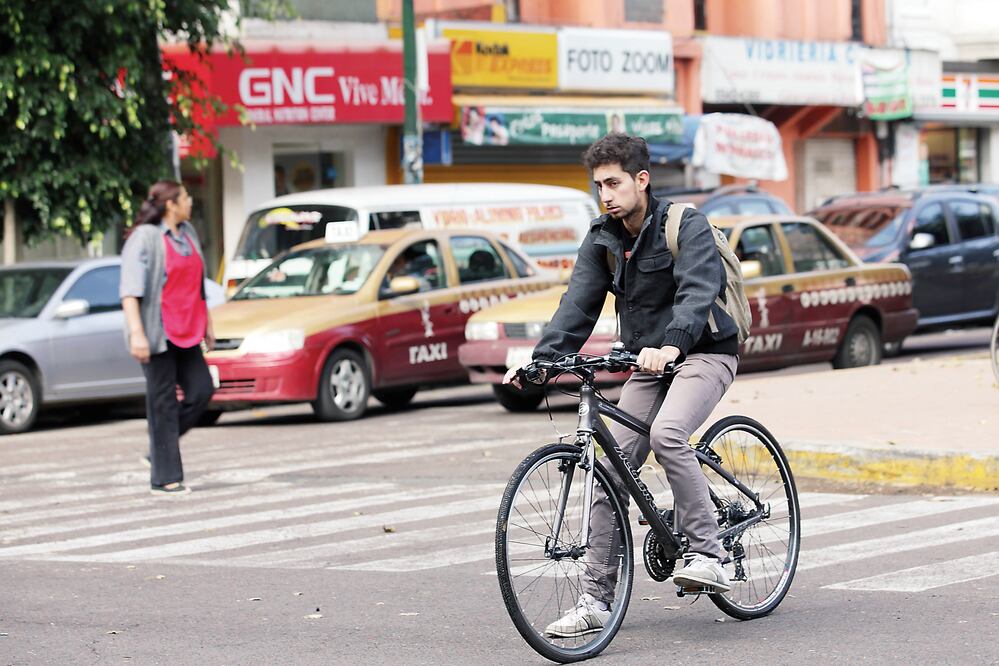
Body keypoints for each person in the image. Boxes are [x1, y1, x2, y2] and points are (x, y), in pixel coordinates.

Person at [503, 133, 740, 638]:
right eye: (598, 186)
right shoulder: (603, 239)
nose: (606, 194)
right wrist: (540, 361)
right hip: (647, 363)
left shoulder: (685, 224)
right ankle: (595, 600)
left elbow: (699, 290)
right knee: (610, 470)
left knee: (669, 434)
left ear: (641, 180)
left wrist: (674, 343)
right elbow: (577, 305)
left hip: (704, 352)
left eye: (614, 183)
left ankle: (710, 553)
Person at [120, 180, 216, 496]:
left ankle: (158, 449)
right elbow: (130, 291)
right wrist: (137, 333)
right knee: (162, 403)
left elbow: (199, 286)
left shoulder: (188, 234)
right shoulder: (145, 238)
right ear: (171, 204)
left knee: (202, 389)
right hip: (157, 332)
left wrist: (209, 326)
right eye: (186, 197)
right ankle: (165, 477)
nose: (190, 201)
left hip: (188, 331)